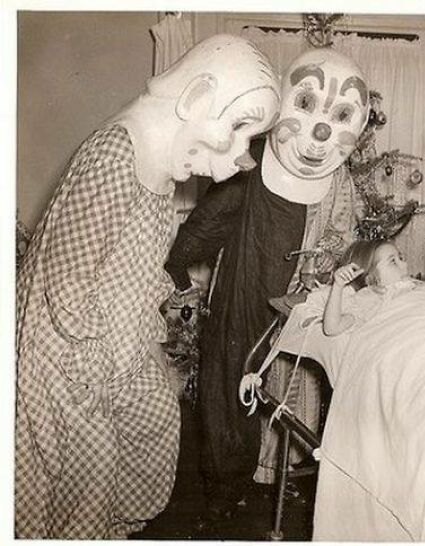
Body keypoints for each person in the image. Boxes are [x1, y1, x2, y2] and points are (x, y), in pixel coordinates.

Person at [15, 34, 281, 539]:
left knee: (156, 419)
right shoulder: (115, 155)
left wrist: (148, 340)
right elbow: (69, 277)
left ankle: (117, 523)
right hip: (69, 353)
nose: (241, 154)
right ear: (197, 100)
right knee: (84, 472)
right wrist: (92, 370)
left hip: (119, 340)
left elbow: (138, 265)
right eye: (240, 129)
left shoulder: (159, 170)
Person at [163, 47, 369, 517]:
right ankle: (223, 490)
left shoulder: (341, 185)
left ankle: (273, 475)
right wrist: (177, 273)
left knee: (291, 389)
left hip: (300, 307)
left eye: (339, 116)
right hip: (243, 295)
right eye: (308, 106)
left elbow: (341, 238)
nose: (320, 131)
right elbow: (205, 228)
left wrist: (322, 280)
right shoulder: (248, 165)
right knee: (228, 383)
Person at [323, 239, 425, 336]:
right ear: (372, 278)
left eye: (401, 258)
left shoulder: (417, 287)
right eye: (393, 262)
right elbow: (332, 328)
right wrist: (338, 286)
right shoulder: (372, 299)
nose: (404, 265)